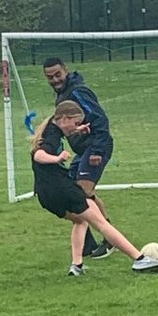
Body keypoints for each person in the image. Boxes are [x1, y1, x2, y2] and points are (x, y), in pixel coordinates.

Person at [31, 101, 158, 276]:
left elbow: (54, 138)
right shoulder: (51, 136)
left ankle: (76, 266)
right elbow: (39, 155)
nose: (77, 126)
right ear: (64, 118)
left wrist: (76, 131)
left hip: (46, 195)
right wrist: (56, 159)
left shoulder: (51, 127)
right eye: (76, 123)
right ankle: (139, 259)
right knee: (100, 221)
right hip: (62, 189)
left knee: (80, 221)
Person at [42, 57, 115, 258]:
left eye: (58, 74)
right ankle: (89, 244)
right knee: (75, 193)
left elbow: (100, 118)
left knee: (83, 192)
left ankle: (110, 239)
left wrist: (98, 151)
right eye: (50, 77)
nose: (55, 80)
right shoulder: (64, 94)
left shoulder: (77, 91)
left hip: (95, 147)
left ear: (65, 70)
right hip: (83, 150)